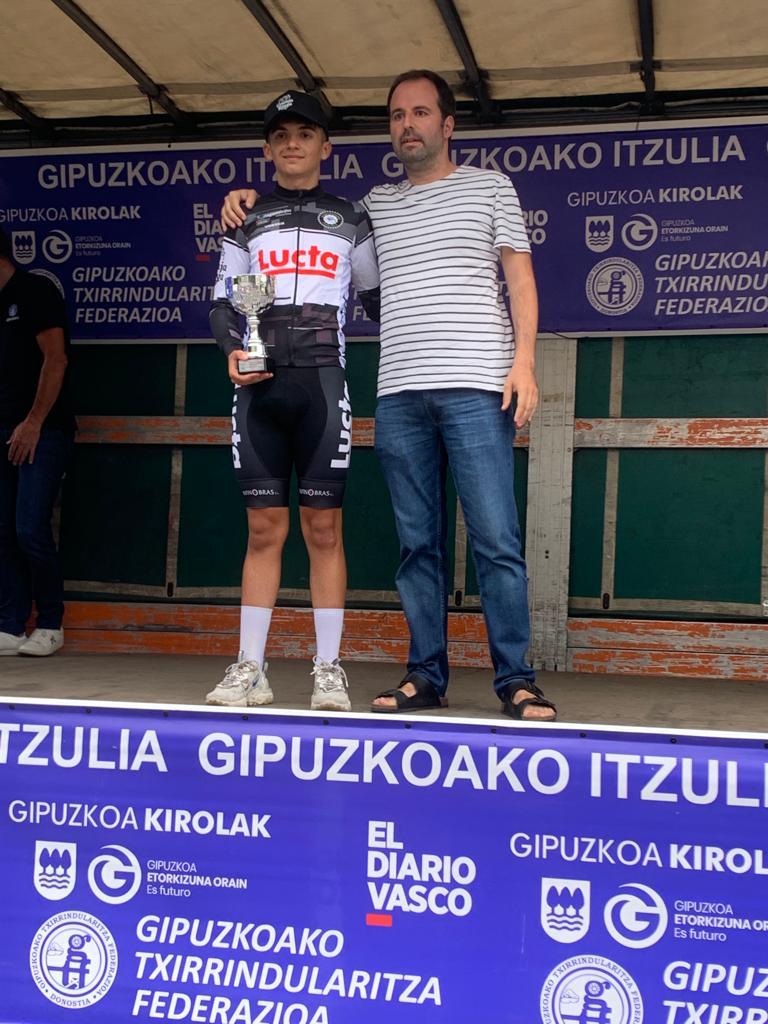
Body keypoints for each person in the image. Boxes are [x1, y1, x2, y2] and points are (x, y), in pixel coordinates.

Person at [220, 71, 556, 722]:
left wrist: (524, 363)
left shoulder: (491, 188)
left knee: (496, 541)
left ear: (447, 124)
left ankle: (516, 680)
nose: (408, 125)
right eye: (398, 115)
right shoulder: (372, 206)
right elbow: (300, 206)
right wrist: (247, 199)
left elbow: (520, 278)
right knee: (417, 546)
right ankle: (425, 676)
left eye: (421, 113)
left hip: (477, 384)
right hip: (400, 391)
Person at [206, 90, 380, 712]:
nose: (292, 144)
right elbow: (224, 300)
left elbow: (376, 297)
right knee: (262, 528)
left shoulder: (352, 218)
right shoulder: (245, 217)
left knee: (324, 528)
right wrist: (232, 348)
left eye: (305, 134)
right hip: (259, 389)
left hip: (323, 385)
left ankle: (328, 668)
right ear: (267, 149)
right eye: (280, 135)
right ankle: (250, 667)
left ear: (325, 146)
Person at [0, 229, 76, 657]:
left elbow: (56, 359)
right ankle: (10, 625)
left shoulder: (35, 291)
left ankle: (50, 623)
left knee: (30, 528)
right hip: (2, 428)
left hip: (42, 431)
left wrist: (33, 423)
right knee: (3, 531)